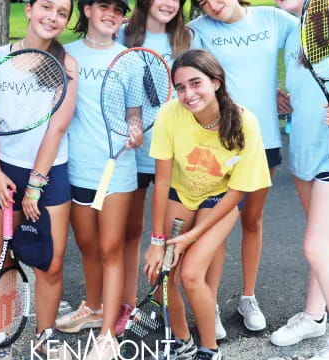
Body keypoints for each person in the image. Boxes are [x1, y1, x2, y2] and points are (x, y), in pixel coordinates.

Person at [146, 49, 271, 360]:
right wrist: (156, 241)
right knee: (161, 273)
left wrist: (191, 236)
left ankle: (209, 349)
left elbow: (237, 192)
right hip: (181, 192)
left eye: (196, 83)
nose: (188, 94)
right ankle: (183, 340)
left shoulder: (245, 122)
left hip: (221, 198)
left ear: (216, 82)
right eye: (180, 87)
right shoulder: (169, 114)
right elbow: (161, 182)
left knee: (190, 274)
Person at [188, 0, 297, 337]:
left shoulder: (274, 19)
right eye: (203, 2)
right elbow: (196, 81)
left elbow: (312, 48)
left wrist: (285, 91)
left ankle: (247, 298)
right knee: (216, 225)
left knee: (252, 220)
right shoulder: (200, 30)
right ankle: (211, 304)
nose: (212, 6)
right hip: (221, 142)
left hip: (264, 140)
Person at [0, 0, 77, 358]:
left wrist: (35, 185)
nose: (53, 16)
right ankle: (3, 336)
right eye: (46, 7)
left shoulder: (66, 64)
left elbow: (57, 128)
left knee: (50, 262)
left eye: (62, 12)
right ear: (31, 9)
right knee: (3, 258)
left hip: (49, 175)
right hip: (2, 172)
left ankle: (45, 338)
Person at [54, 0, 143, 358]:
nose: (112, 15)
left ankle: (108, 334)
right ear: (87, 9)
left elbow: (134, 115)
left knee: (110, 249)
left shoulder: (130, 59)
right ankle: (92, 308)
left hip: (117, 171)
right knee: (87, 245)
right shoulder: (65, 54)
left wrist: (135, 130)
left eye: (119, 10)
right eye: (104, 6)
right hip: (76, 168)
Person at [113, 0, 193, 338]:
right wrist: (131, 124)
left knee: (171, 237)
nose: (169, 3)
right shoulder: (120, 35)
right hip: (133, 154)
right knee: (131, 232)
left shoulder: (187, 39)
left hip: (174, 155)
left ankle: (170, 305)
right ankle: (129, 305)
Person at [268, 0, 329, 358]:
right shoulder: (291, 26)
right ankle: (315, 316)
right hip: (303, 147)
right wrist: (283, 98)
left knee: (318, 246)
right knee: (319, 242)